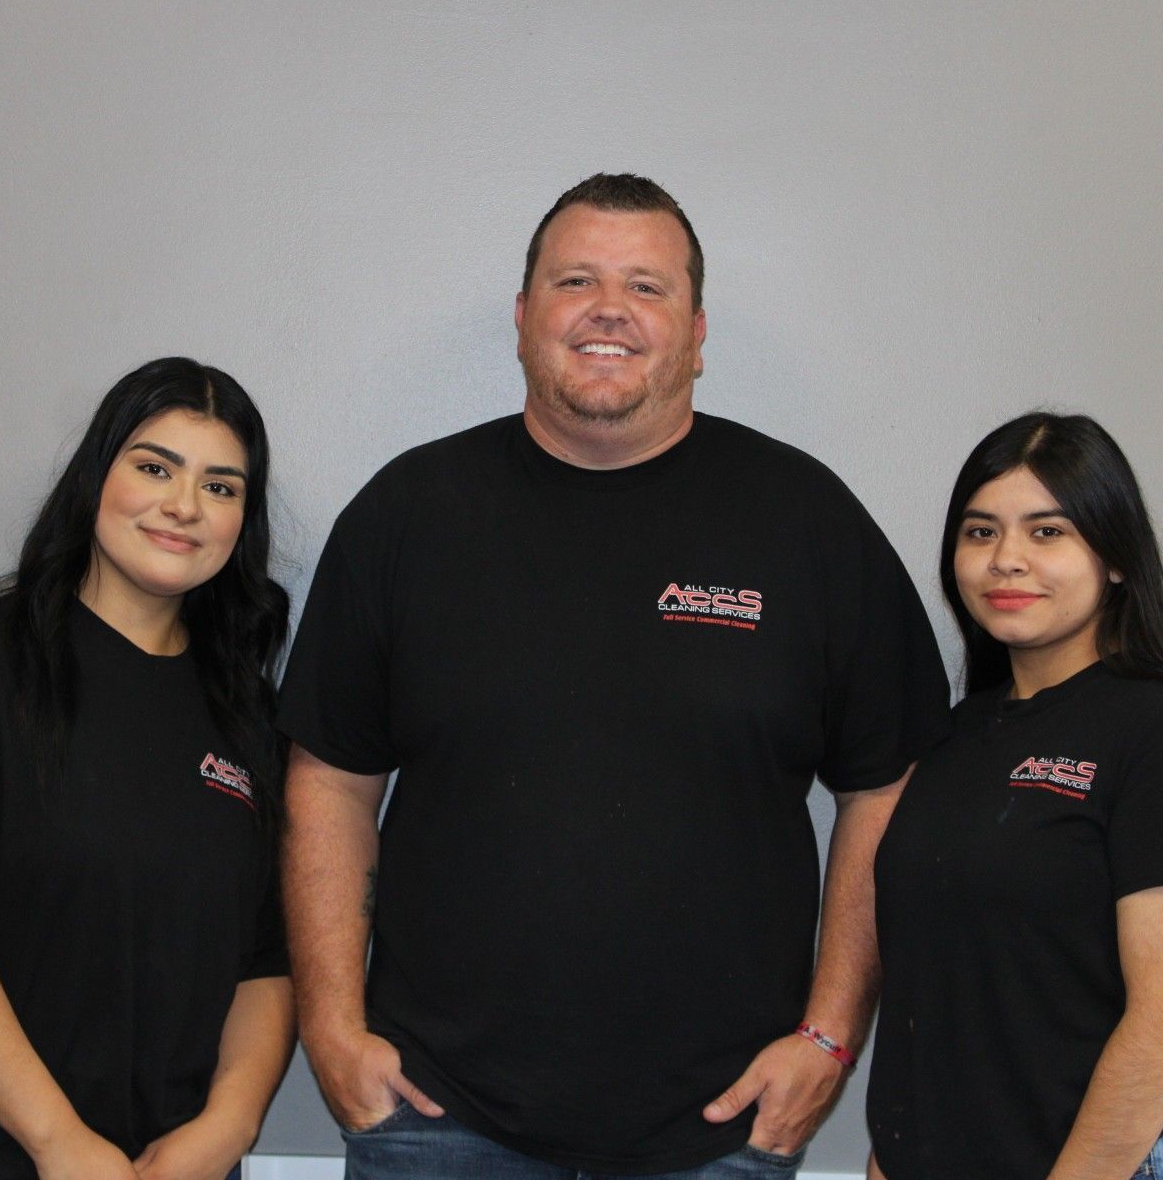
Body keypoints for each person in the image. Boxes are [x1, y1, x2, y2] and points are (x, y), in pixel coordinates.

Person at [278, 173, 952, 1177]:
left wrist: (828, 1037)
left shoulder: (804, 520)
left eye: (648, 287)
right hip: (437, 1116)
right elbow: (329, 777)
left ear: (695, 327)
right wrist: (331, 1027)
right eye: (575, 279)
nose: (609, 309)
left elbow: (889, 783)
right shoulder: (409, 514)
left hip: (722, 1126)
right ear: (523, 316)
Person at [0, 357, 295, 1180]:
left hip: (162, 1160)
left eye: (221, 486)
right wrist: (56, 1142)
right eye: (154, 468)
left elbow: (267, 959)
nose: (184, 506)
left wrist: (229, 1125)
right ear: (95, 478)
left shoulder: (250, 717)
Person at [867, 412, 1163, 1180]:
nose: (1006, 560)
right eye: (980, 533)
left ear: (1114, 558)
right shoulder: (953, 737)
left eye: (1048, 533)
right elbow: (934, 992)